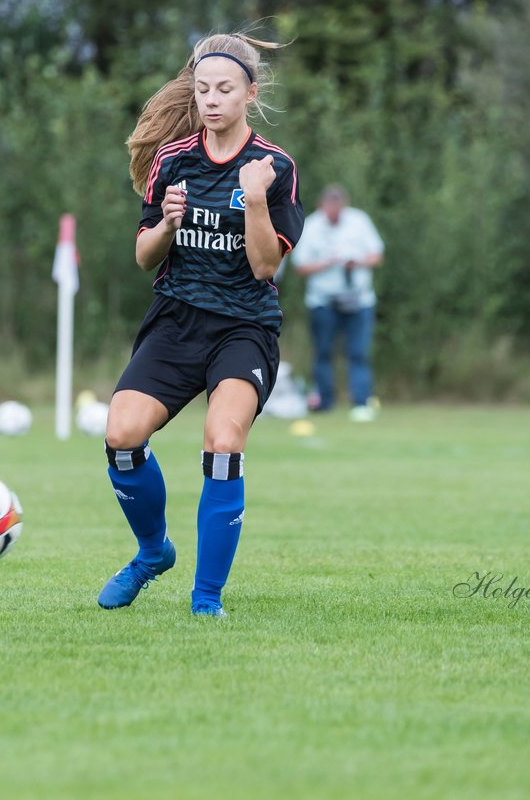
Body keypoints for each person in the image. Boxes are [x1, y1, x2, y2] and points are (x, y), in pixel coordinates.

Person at [97, 32, 304, 617]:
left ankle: (206, 599)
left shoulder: (274, 168)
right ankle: (152, 552)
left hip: (245, 328)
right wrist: (164, 225)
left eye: (225, 89)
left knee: (223, 440)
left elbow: (267, 265)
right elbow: (143, 257)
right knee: (121, 434)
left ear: (249, 94)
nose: (212, 100)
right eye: (204, 89)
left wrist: (256, 201)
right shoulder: (173, 160)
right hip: (177, 320)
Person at [291, 185, 384, 420]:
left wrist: (357, 262)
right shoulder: (311, 226)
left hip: (359, 300)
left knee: (358, 353)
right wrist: (329, 262)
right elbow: (300, 266)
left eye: (338, 207)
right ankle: (324, 402)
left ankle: (361, 404)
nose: (334, 212)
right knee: (322, 353)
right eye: (330, 207)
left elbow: (376, 255)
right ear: (322, 206)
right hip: (323, 300)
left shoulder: (359, 221)